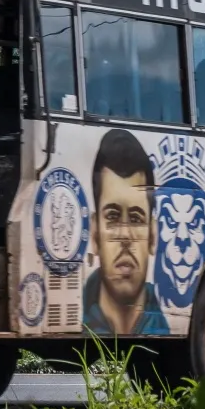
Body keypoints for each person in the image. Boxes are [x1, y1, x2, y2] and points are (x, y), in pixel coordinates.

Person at [83, 129, 170, 335]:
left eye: (136, 218)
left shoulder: (164, 329)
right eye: (112, 217)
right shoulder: (79, 319)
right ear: (94, 234)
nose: (125, 235)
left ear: (152, 236)